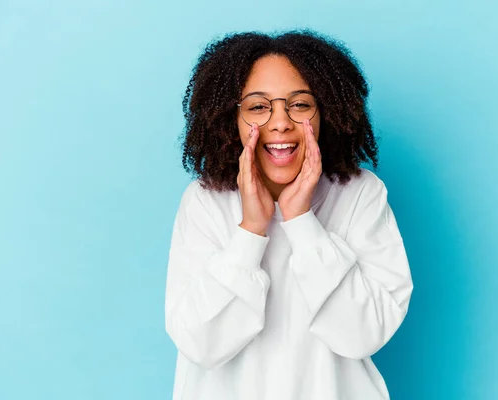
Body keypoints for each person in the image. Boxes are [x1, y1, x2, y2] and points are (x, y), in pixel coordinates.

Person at [165, 30, 414, 400]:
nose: (280, 122)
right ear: (229, 119)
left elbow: (364, 334)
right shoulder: (204, 202)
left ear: (325, 112)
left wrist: (301, 222)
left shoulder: (361, 194)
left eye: (299, 105)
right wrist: (251, 231)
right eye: (258, 106)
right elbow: (201, 344)